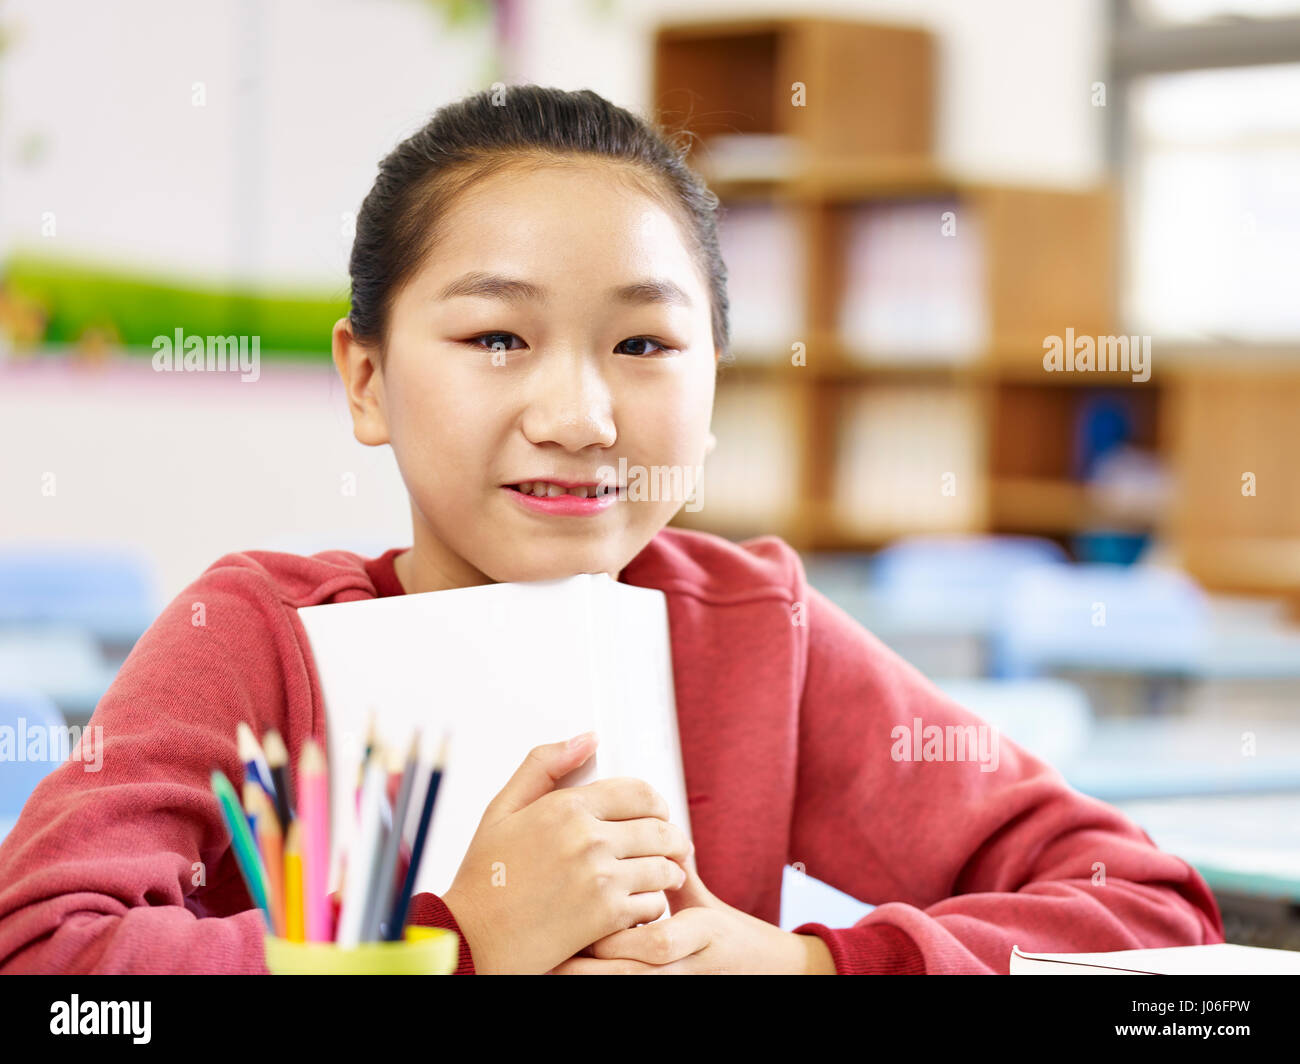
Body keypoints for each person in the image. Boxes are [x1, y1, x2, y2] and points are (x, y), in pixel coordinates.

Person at [0, 85, 1223, 974]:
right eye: (496, 338)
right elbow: (50, 970)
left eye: (642, 344)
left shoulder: (753, 631)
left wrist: (805, 967)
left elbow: (1151, 907)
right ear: (366, 379)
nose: (580, 415)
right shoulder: (261, 637)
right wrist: (450, 942)